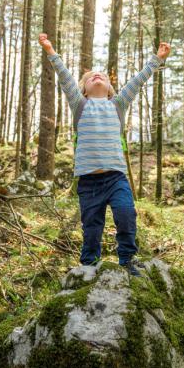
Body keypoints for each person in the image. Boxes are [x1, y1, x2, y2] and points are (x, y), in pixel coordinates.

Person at [38, 32, 170, 275]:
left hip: (116, 178)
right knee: (91, 225)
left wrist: (157, 59)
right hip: (88, 181)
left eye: (101, 76)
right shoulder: (80, 105)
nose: (96, 76)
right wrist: (50, 51)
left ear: (110, 89)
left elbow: (137, 82)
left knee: (126, 214)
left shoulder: (117, 105)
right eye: (89, 78)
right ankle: (89, 263)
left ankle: (128, 259)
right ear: (84, 91)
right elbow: (65, 78)